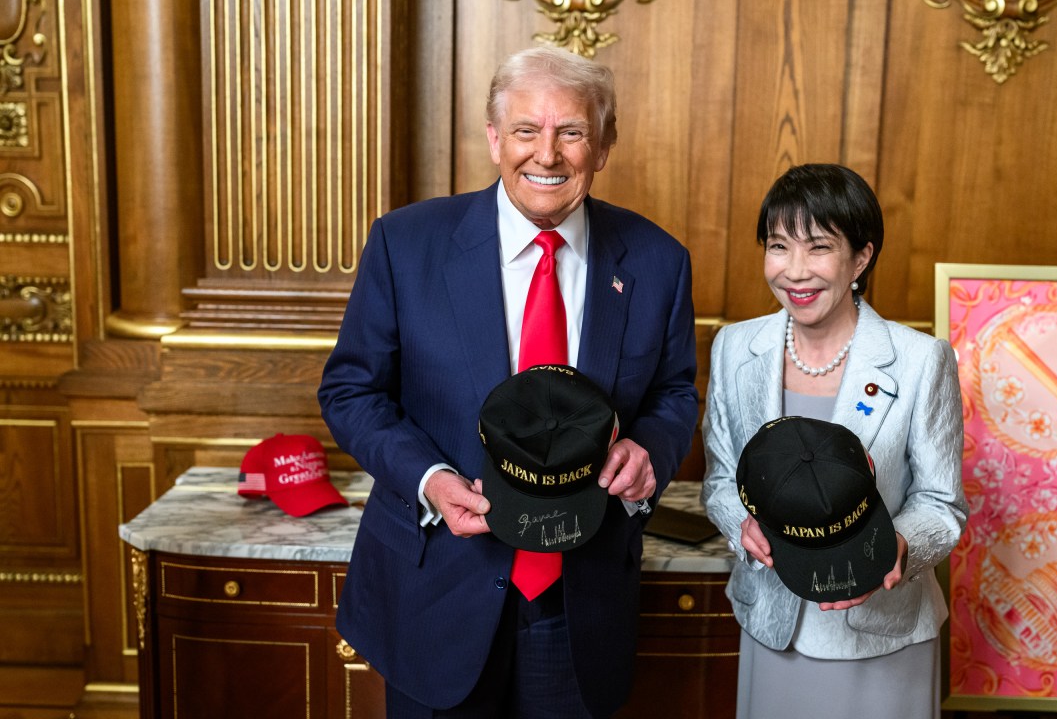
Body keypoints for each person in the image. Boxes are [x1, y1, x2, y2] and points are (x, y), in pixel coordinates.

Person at [317, 46, 699, 719]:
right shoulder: (406, 245)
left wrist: (649, 452)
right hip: (436, 593)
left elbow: (673, 395)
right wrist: (431, 478)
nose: (546, 155)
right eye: (526, 130)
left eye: (571, 132)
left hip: (579, 605)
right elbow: (352, 392)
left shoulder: (658, 261)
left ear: (603, 145)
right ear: (495, 138)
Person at [701, 163, 967, 719]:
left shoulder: (919, 361)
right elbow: (722, 481)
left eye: (818, 248)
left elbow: (942, 507)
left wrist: (893, 548)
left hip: (881, 635)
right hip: (773, 623)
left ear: (861, 258)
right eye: (778, 246)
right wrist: (740, 525)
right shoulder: (735, 348)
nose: (795, 271)